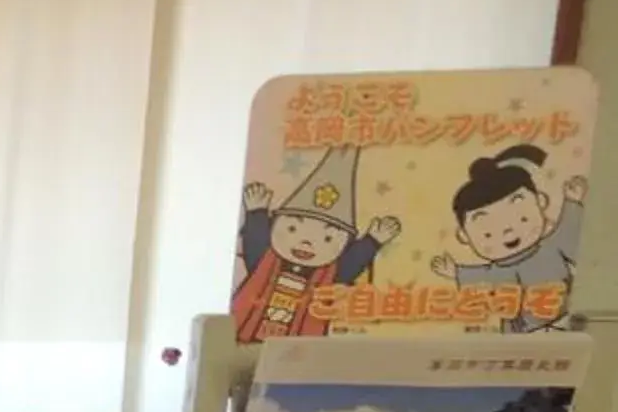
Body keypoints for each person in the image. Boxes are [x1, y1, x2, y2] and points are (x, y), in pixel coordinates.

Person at [234, 145, 401, 343]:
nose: (306, 243)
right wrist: (256, 214)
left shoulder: (327, 274)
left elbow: (348, 266)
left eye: (328, 239)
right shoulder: (267, 262)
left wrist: (372, 241)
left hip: (298, 349)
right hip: (251, 337)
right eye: (293, 229)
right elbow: (255, 246)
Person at [432, 143, 584, 331]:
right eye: (488, 234)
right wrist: (456, 272)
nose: (509, 234)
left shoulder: (551, 246)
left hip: (564, 319)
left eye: (522, 219)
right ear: (464, 235)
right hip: (525, 332)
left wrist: (572, 202)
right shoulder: (497, 271)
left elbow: (569, 233)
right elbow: (482, 278)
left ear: (541, 202)